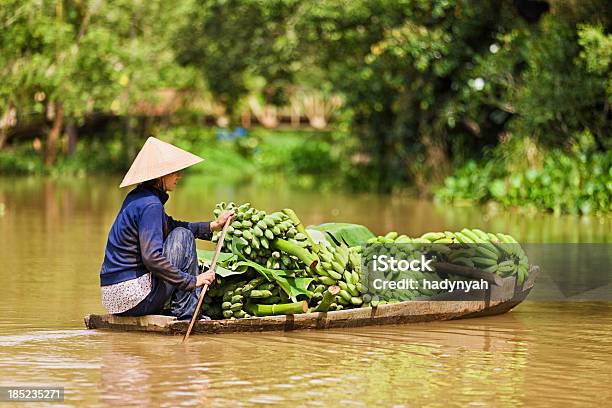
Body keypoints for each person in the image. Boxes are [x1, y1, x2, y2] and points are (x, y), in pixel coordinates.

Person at [99, 137, 234, 320]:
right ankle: (187, 313)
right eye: (175, 172)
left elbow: (170, 226)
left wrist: (213, 226)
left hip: (113, 297)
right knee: (183, 236)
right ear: (161, 175)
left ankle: (179, 306)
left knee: (180, 232)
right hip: (132, 297)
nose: (179, 176)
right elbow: (152, 258)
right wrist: (193, 281)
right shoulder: (150, 205)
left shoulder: (137, 198)